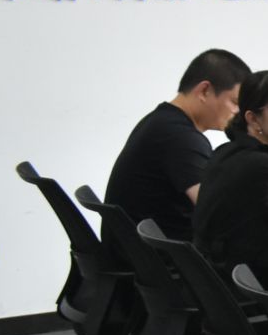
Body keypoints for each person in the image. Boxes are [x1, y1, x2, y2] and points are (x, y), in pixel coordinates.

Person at [105, 47, 250, 240]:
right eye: (235, 102)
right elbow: (216, 215)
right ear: (204, 90)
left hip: (135, 248)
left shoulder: (160, 122)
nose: (238, 112)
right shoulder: (181, 138)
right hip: (156, 255)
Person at [193, 68, 268, 285]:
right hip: (255, 287)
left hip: (222, 285)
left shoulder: (226, 152)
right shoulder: (263, 167)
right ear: (253, 119)